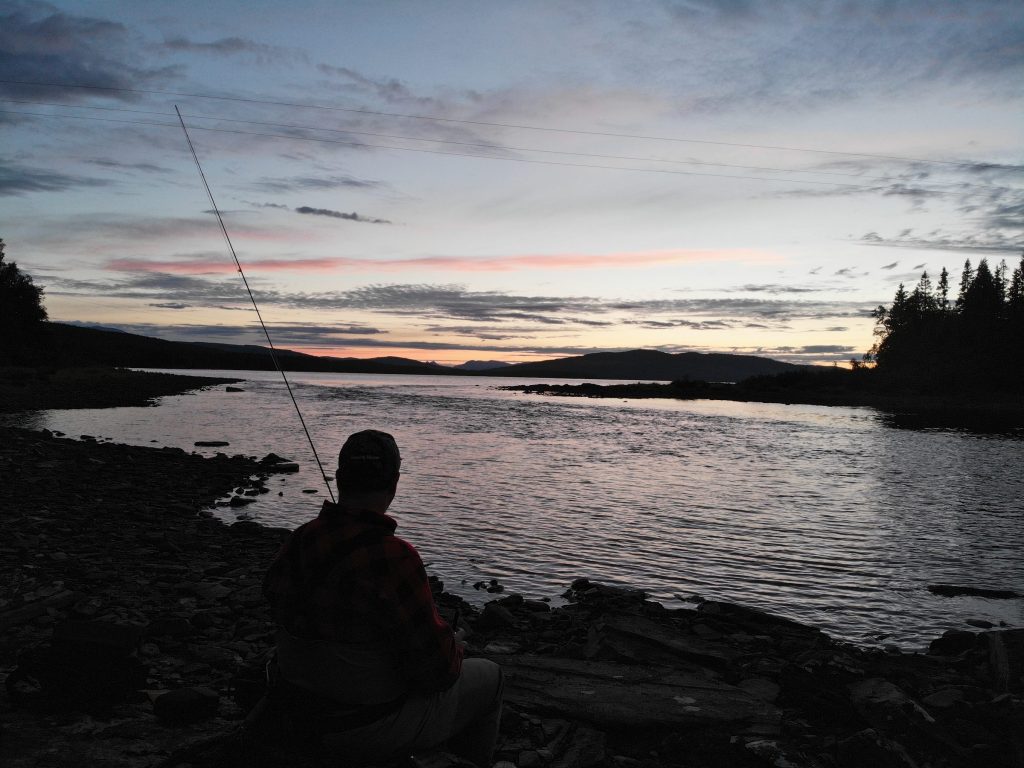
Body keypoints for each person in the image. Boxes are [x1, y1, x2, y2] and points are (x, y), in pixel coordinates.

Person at [262, 429, 504, 767]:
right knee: (492, 678)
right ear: (395, 483)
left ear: (338, 477)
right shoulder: (395, 557)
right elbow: (437, 672)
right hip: (364, 726)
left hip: (294, 710)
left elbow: (278, 603)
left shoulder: (300, 539)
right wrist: (453, 645)